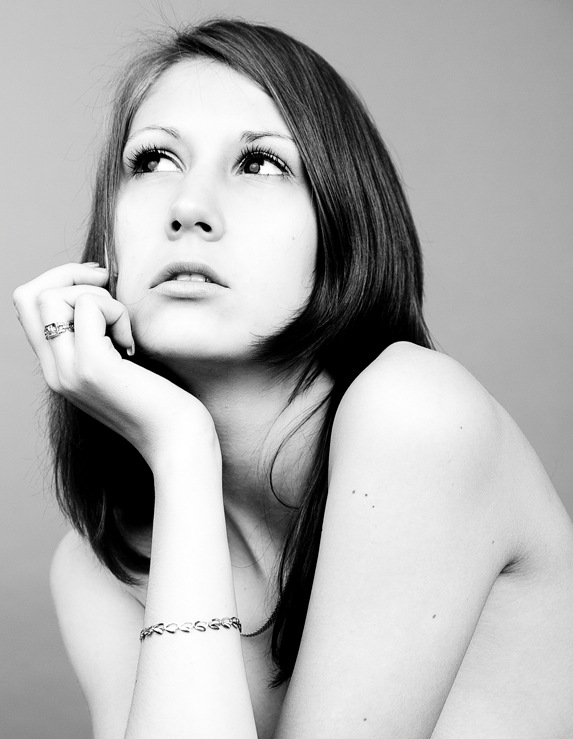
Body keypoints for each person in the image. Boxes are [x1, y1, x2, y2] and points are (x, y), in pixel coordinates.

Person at [12, 18, 573, 739]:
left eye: (259, 164)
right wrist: (182, 451)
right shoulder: (99, 568)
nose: (188, 208)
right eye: (153, 160)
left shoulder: (416, 414)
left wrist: (182, 447)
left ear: (340, 225)